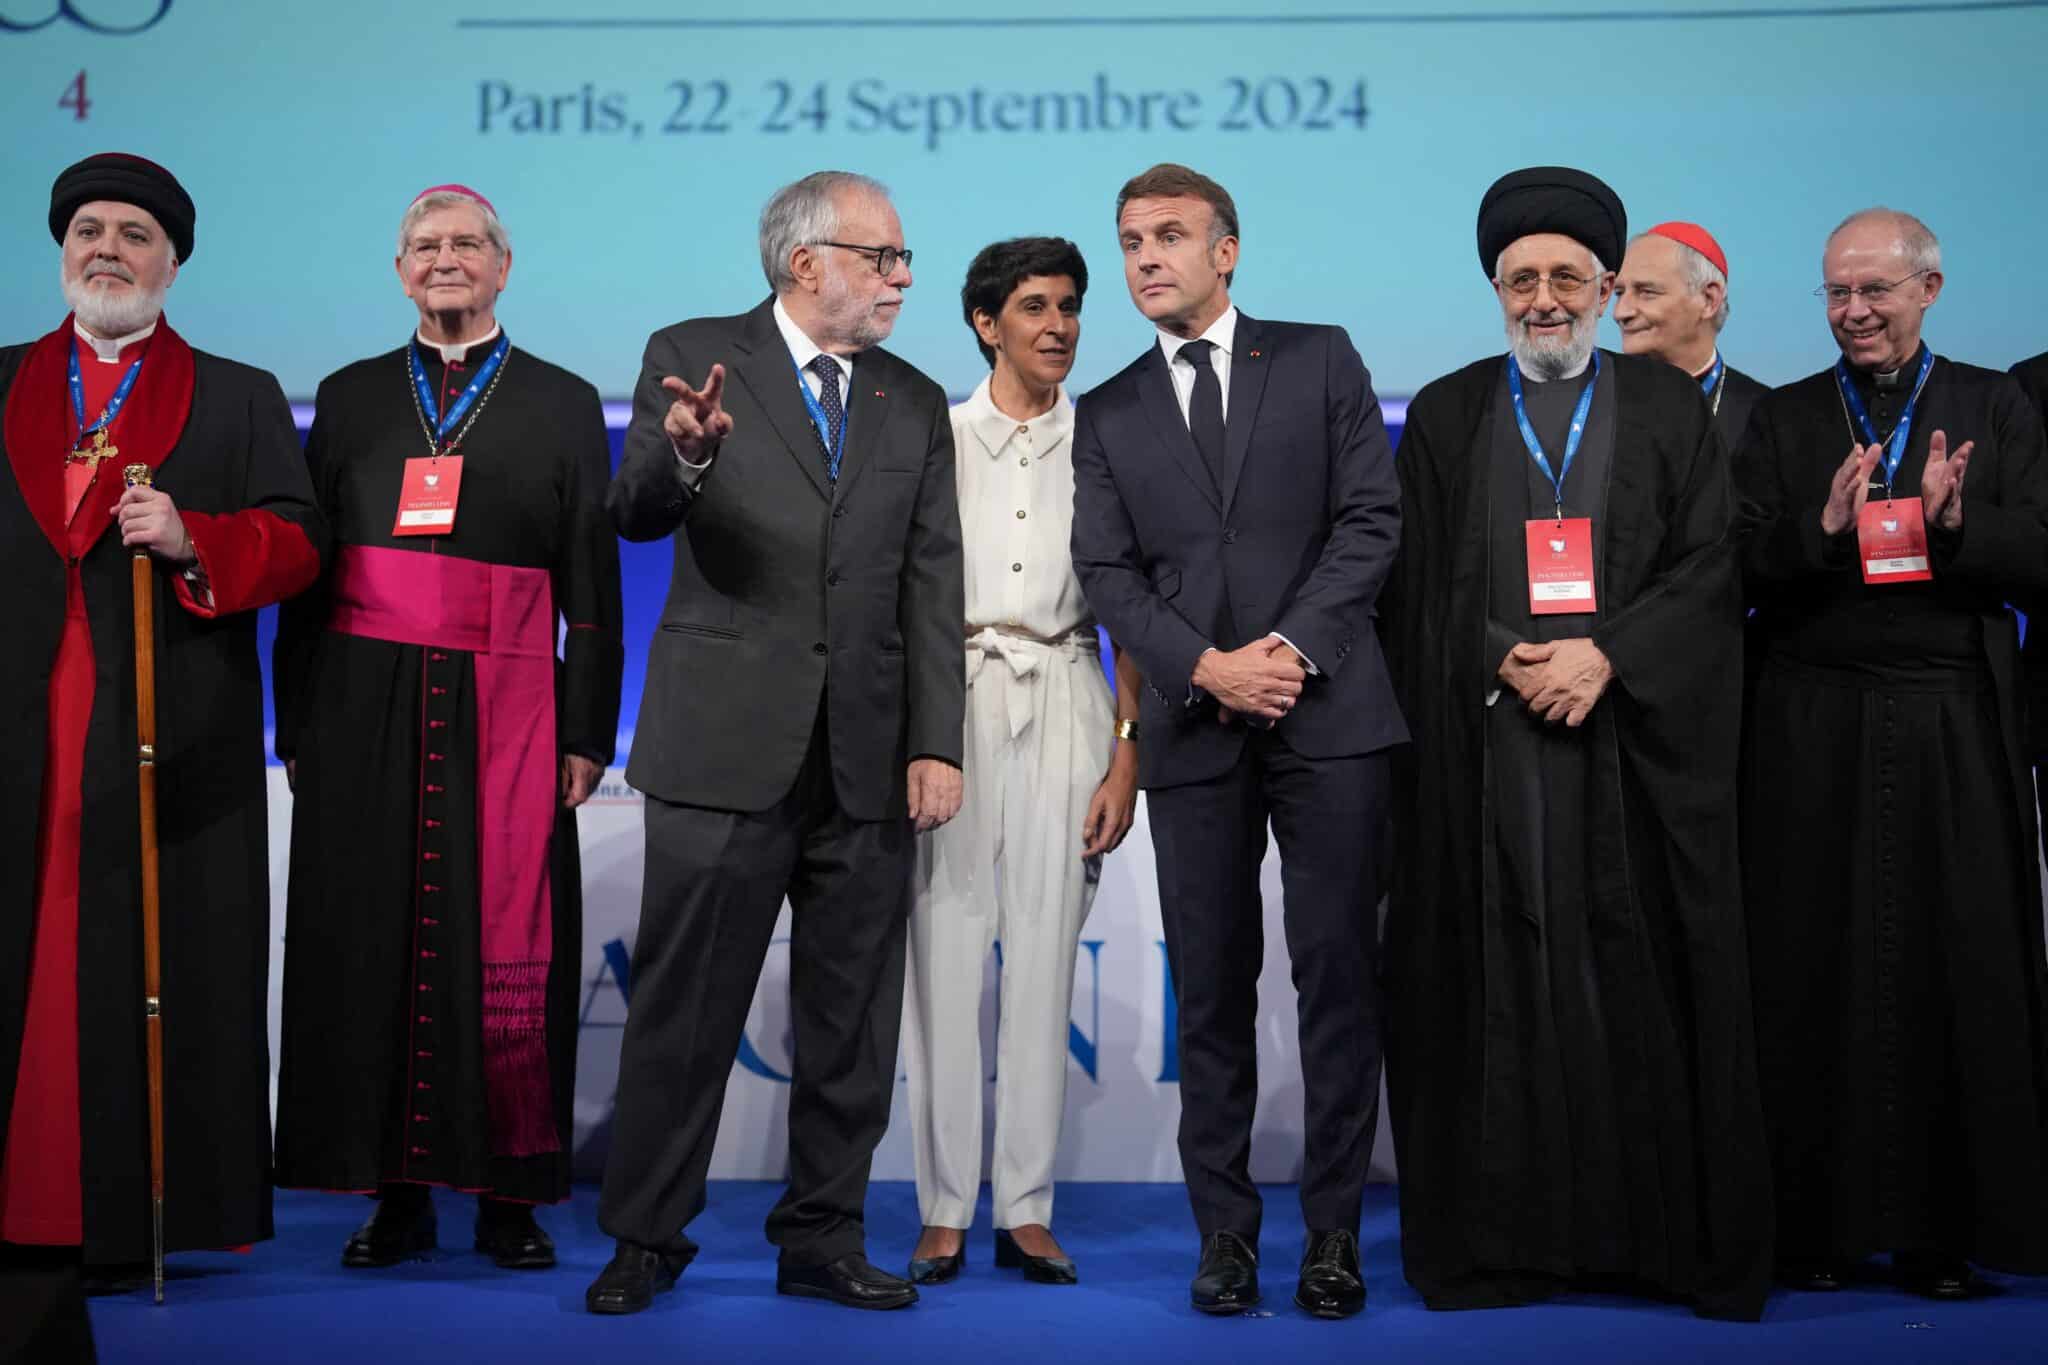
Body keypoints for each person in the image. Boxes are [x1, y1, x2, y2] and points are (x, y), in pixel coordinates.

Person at [1381, 166, 1772, 1321]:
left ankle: (1647, 1244)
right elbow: (1404, 575)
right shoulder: (1447, 412)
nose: (1542, 298)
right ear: (1495, 290)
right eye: (1520, 279)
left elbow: (1710, 565)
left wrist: (1607, 656)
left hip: (1627, 753)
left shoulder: (1664, 409)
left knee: (1629, 975)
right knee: (1495, 981)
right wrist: (1501, 650)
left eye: (1565, 277)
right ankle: (1503, 1246)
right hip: (1492, 748)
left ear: (1604, 288)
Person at [590, 171, 964, 1316]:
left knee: (848, 1023)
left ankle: (823, 1236)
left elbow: (929, 580)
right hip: (722, 747)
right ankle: (647, 1237)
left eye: (904, 261)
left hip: (863, 755)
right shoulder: (696, 353)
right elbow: (637, 510)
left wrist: (935, 741)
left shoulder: (911, 395)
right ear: (807, 263)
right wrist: (686, 451)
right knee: (683, 1013)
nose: (903, 278)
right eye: (882, 257)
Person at [1070, 163, 1404, 1319]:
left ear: (1227, 250)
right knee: (1209, 991)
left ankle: (1331, 1238)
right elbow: (1105, 573)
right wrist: (1206, 667)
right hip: (1194, 725)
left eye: (1168, 235)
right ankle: (1223, 1237)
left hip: (1330, 717)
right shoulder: (1106, 409)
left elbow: (1371, 521)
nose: (1144, 258)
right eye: (1128, 241)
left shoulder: (1317, 357)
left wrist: (1286, 652)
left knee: (1335, 983)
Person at [271, 184, 622, 1271]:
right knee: (375, 944)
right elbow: (307, 567)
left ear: (503, 267)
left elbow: (593, 589)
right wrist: (299, 725)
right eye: (425, 246)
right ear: (399, 270)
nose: (445, 259)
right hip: (362, 702)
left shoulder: (562, 400)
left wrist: (586, 732)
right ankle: (397, 1196)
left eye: (466, 243)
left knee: (505, 946)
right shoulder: (349, 392)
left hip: (509, 705)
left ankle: (507, 1194)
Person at [0, 153, 324, 1281]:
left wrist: (197, 541)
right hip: (18, 726)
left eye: (134, 234)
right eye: (87, 229)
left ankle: (141, 1210)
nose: (107, 249)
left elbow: (297, 539)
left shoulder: (237, 392)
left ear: (171, 264)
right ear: (61, 252)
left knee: (152, 953)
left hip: (170, 718)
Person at [1735, 207, 2048, 1298]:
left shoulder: (1990, 403)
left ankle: (1936, 1235)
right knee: (1803, 967)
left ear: (1929, 289)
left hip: (1949, 717)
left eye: (1873, 291)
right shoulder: (1777, 417)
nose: (1852, 312)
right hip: (1807, 720)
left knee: (1949, 969)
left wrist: (1955, 526)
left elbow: (2041, 557)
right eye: (1834, 293)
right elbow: (1732, 567)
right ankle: (1811, 1229)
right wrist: (1819, 531)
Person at [901, 238, 1140, 1289]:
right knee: (945, 961)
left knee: (1044, 963)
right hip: (950, 703)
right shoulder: (931, 438)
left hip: (1070, 698)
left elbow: (1135, 610)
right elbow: (901, 598)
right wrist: (918, 739)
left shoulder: (1112, 445)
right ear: (983, 322)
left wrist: (1126, 755)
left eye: (1072, 307)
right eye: (1034, 306)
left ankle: (1028, 1210)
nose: (1058, 325)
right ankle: (944, 1209)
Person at [1613, 221, 1769, 442]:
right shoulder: (1595, 404)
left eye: (1646, 292)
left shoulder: (1764, 414)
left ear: (1708, 300)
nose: (1620, 312)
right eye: (1619, 293)